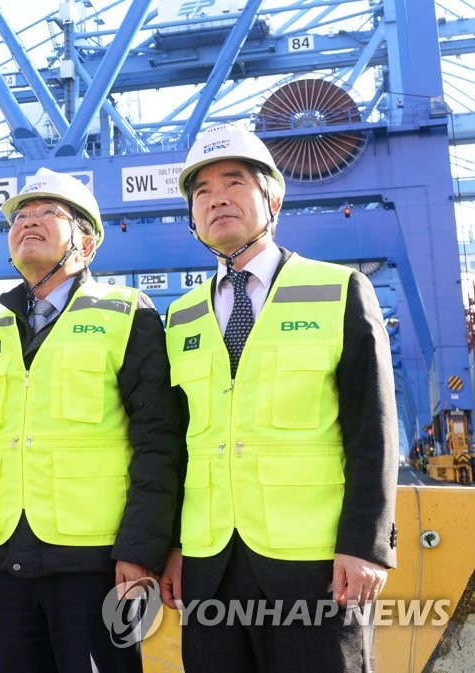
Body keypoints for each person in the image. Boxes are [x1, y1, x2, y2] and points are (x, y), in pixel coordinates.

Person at [161, 123, 398, 672]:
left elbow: (374, 430)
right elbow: (176, 444)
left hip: (316, 563)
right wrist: (171, 545)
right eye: (201, 192)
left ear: (273, 199)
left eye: (234, 182)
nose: (216, 198)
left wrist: (365, 544)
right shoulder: (181, 316)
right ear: (193, 216)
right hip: (209, 563)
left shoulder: (338, 290)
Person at [0, 167, 183, 673]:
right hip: (9, 557)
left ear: (87, 244)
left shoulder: (128, 314)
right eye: (20, 217)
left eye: (47, 213)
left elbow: (159, 442)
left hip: (97, 562)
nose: (28, 222)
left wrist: (140, 549)